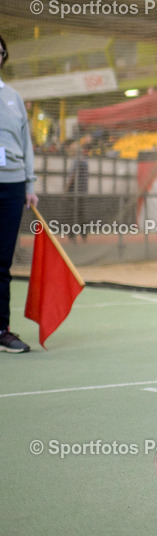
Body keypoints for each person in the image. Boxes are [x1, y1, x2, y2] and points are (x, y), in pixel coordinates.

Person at [0, 33, 38, 353]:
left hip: (12, 187)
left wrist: (30, 185)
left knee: (2, 263)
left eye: (0, 51)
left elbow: (26, 145)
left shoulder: (13, 97)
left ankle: (2, 329)